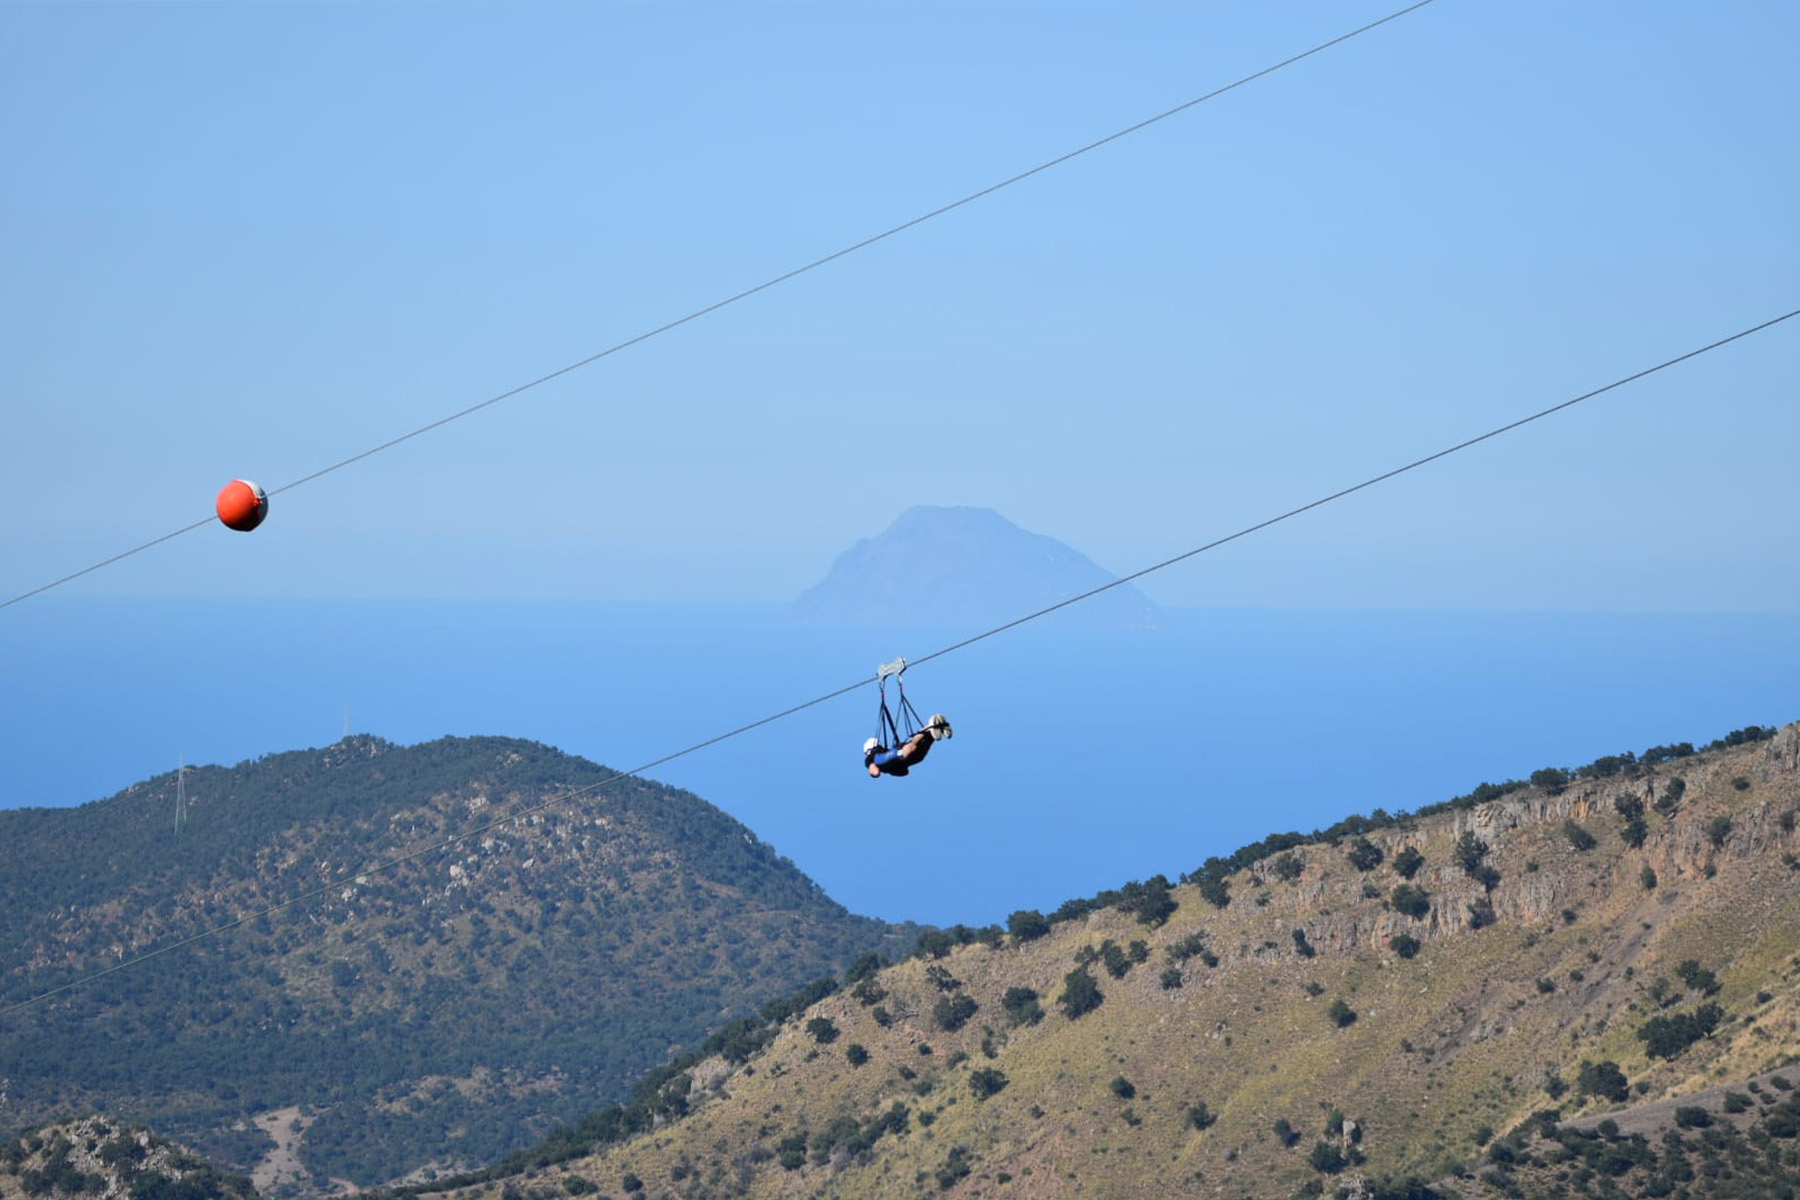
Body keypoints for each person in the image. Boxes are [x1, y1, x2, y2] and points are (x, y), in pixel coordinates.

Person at [864, 714, 953, 778]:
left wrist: (874, 773)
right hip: (902, 759)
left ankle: (928, 728)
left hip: (897, 755)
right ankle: (936, 730)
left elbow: (875, 772)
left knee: (914, 747)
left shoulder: (870, 758)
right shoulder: (882, 757)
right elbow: (904, 772)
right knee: (920, 749)